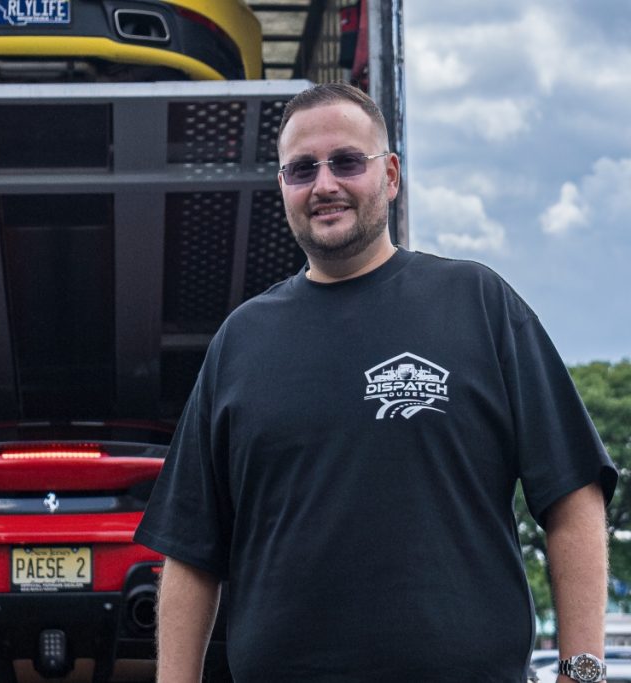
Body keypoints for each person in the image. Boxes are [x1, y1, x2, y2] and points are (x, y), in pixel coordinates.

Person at [134, 83, 617, 683]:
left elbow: (573, 492)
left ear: (390, 175)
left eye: (346, 162)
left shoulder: (477, 304)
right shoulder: (240, 341)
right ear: (282, 188)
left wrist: (582, 669)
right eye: (302, 168)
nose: (325, 184)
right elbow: (191, 551)